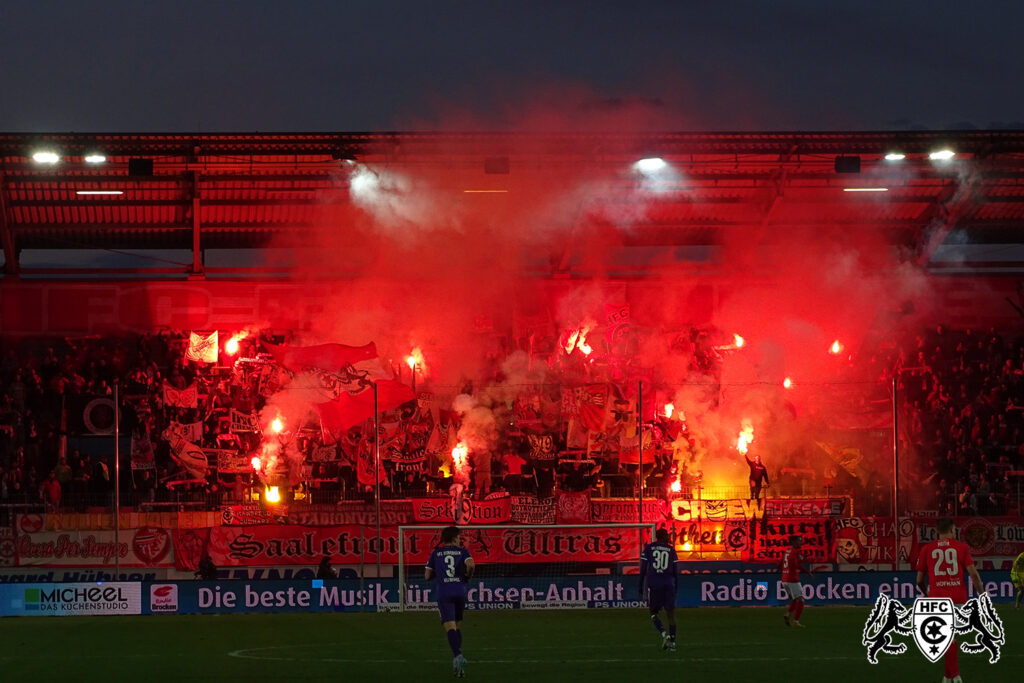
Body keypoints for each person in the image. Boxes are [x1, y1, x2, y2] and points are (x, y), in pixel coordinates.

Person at [915, 517, 985, 683]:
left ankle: (948, 676)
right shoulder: (961, 547)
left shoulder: (927, 549)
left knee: (948, 637)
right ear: (952, 530)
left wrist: (926, 593)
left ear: (938, 531)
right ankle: (955, 676)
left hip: (937, 598)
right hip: (957, 597)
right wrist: (982, 595)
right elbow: (974, 575)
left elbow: (918, 580)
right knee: (951, 636)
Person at [424, 525, 474, 678]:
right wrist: (467, 577)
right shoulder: (462, 551)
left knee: (450, 627)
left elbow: (427, 576)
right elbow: (471, 565)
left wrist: (438, 573)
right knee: (457, 626)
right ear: (453, 538)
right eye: (459, 537)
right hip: (459, 591)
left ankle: (458, 656)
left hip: (444, 593)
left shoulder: (436, 553)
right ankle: (459, 668)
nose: (460, 539)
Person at [639, 527, 679, 650]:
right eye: (667, 535)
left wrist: (640, 586)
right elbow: (676, 572)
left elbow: (643, 570)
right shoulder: (671, 550)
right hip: (668, 584)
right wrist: (675, 587)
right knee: (671, 615)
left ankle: (664, 633)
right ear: (662, 536)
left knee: (653, 613)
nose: (669, 537)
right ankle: (672, 643)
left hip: (655, 584)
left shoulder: (649, 548)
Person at [781, 535, 811, 628]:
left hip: (784, 579)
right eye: (799, 541)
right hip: (792, 579)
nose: (801, 543)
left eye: (801, 541)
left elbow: (781, 563)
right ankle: (796, 621)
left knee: (795, 599)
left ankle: (788, 614)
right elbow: (796, 565)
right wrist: (807, 572)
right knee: (801, 600)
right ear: (793, 542)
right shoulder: (796, 551)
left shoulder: (787, 551)